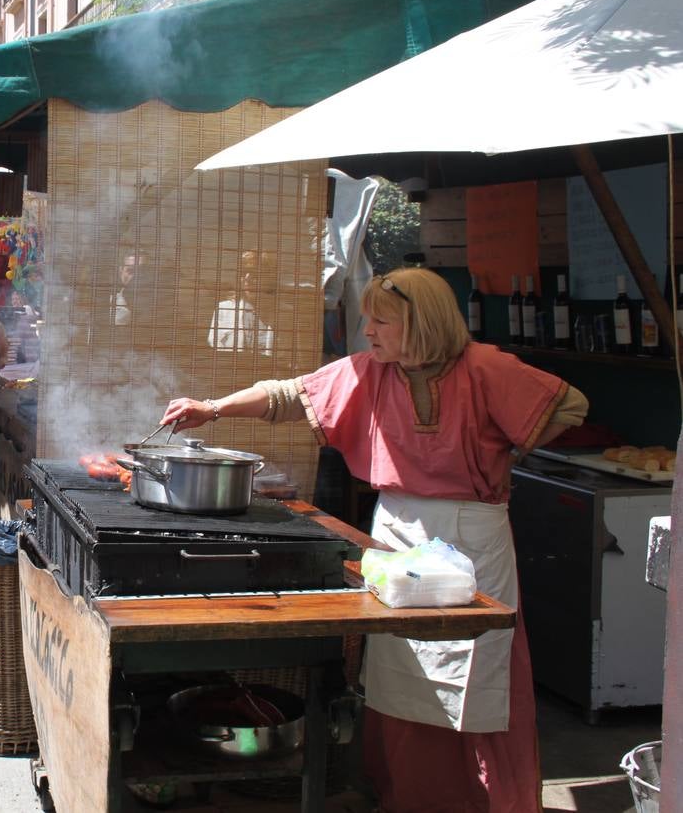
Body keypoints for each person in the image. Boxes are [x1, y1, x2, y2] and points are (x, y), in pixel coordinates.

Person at [160, 267, 589, 813]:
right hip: (397, 538)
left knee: (477, 674)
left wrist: (509, 439)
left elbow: (569, 405)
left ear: (420, 323)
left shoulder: (485, 369)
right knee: (399, 671)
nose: (368, 329)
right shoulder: (369, 372)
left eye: (380, 320)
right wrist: (213, 408)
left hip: (473, 539)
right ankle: (407, 798)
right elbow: (288, 396)